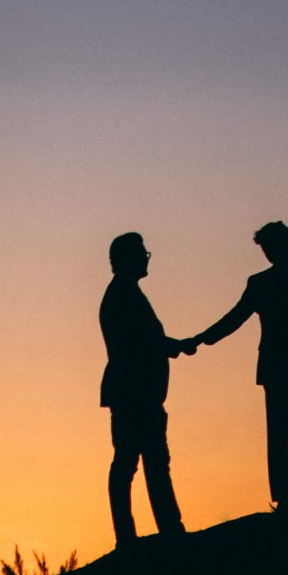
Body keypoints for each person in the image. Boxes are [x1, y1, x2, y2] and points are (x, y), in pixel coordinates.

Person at [191, 220, 288, 516]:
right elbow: (236, 317)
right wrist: (203, 338)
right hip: (287, 368)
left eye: (269, 247)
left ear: (284, 245)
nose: (267, 253)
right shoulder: (280, 280)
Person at [99, 231, 194, 546]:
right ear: (128, 258)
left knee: (140, 461)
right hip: (135, 394)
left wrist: (174, 346)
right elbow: (141, 342)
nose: (146, 258)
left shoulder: (123, 293)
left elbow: (144, 341)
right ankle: (156, 531)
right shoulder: (123, 295)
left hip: (136, 393)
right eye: (142, 253)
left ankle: (154, 530)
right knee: (137, 462)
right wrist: (175, 345)